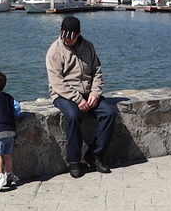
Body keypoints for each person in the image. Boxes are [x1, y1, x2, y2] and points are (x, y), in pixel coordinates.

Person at [46, 16, 119, 178]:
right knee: (73, 115)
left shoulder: (89, 47)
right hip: (63, 95)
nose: (67, 40)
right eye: (64, 36)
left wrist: (94, 93)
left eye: (71, 37)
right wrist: (78, 99)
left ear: (78, 34)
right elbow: (57, 82)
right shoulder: (54, 51)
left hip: (88, 92)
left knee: (109, 113)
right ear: (60, 33)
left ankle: (95, 155)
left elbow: (97, 72)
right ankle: (74, 160)